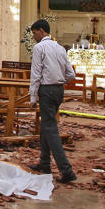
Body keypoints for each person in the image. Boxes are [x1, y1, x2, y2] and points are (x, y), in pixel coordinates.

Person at [28, 19, 76, 183]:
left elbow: (35, 73)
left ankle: (66, 170)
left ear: (41, 31)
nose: (34, 37)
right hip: (58, 90)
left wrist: (33, 96)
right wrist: (60, 80)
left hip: (46, 90)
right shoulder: (60, 48)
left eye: (34, 33)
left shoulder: (39, 47)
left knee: (51, 128)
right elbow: (71, 74)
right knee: (46, 126)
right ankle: (44, 162)